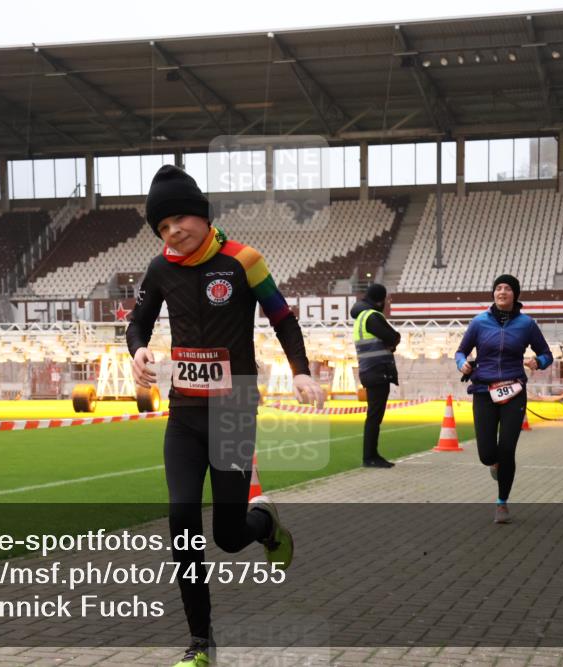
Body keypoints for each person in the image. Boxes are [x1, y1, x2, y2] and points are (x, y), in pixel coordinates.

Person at [126, 164, 325, 667]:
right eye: (162, 226)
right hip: (184, 413)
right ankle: (200, 642)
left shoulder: (244, 260)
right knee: (181, 518)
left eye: (179, 219)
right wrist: (138, 350)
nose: (173, 231)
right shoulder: (159, 268)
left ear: (201, 214)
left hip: (234, 410)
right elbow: (137, 324)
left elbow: (283, 317)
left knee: (230, 537)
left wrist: (300, 372)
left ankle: (265, 524)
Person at [455, 275, 553, 524]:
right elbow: (461, 351)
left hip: (514, 391)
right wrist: (462, 364)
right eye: (498, 288)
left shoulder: (526, 324)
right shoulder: (479, 322)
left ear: (515, 294)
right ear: (493, 293)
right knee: (487, 454)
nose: (502, 292)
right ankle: (494, 463)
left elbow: (547, 354)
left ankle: (502, 503)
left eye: (507, 288)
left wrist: (538, 361)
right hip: (483, 391)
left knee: (507, 449)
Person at [350, 283, 401, 468]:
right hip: (378, 371)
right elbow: (393, 336)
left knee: (373, 415)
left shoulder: (361, 317)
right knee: (374, 416)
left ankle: (371, 455)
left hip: (369, 370)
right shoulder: (372, 316)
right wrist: (393, 341)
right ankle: (370, 457)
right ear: (380, 300)